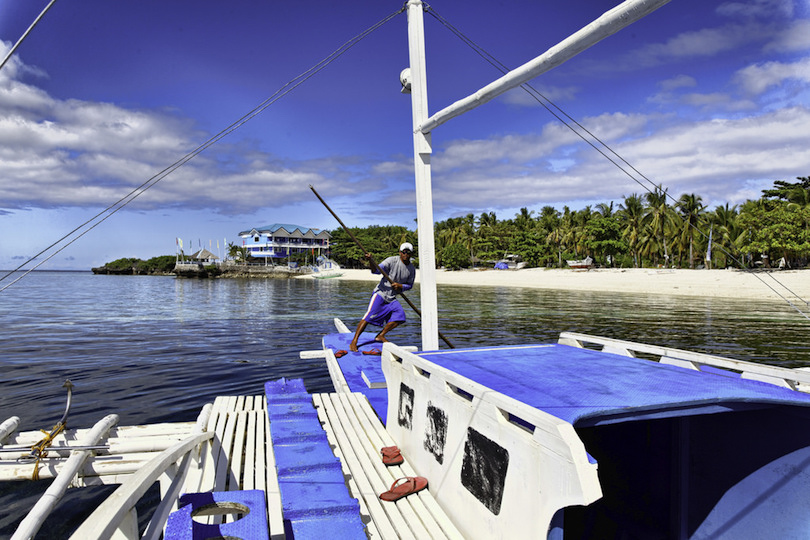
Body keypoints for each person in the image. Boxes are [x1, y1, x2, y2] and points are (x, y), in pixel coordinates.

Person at [349, 242, 416, 352]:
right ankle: (354, 341)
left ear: (411, 254)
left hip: (392, 298)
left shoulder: (411, 269)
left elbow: (409, 285)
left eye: (408, 252)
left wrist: (400, 286)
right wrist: (371, 260)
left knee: (400, 317)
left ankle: (380, 335)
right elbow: (375, 271)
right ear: (400, 252)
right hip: (380, 294)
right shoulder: (392, 260)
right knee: (368, 317)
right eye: (404, 252)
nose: (406, 254)